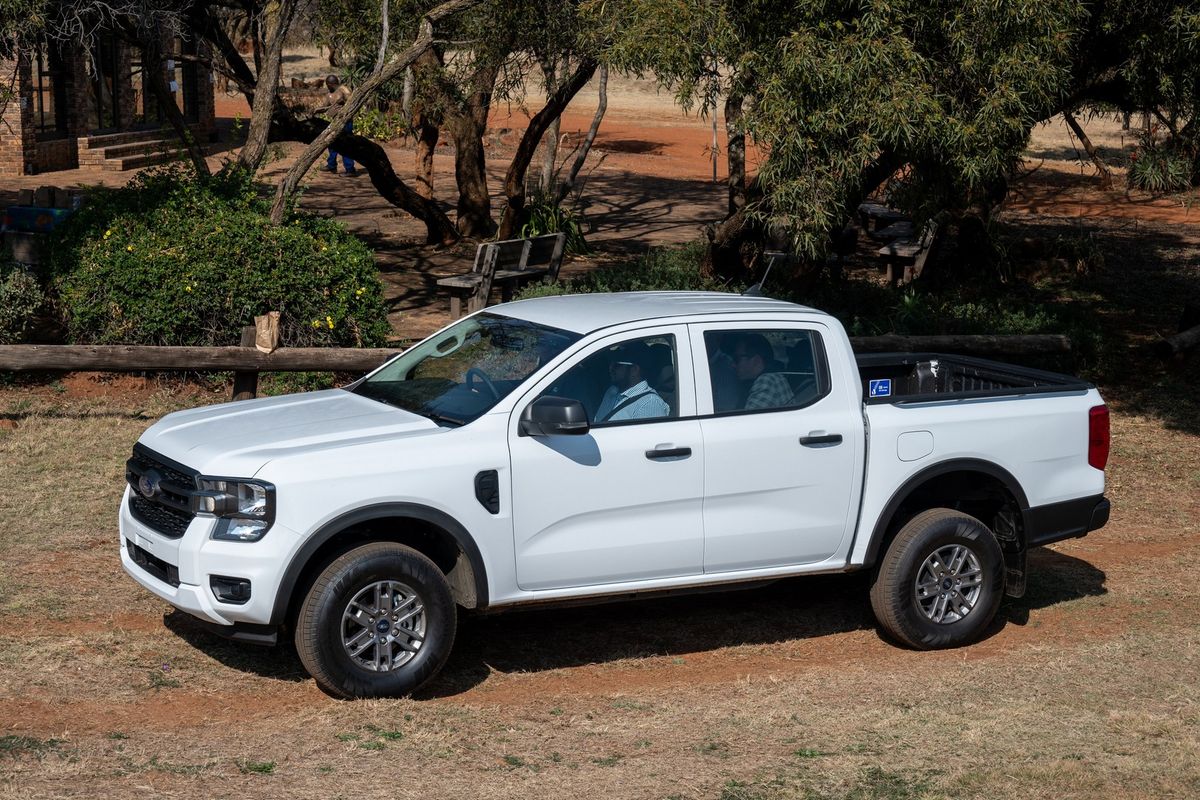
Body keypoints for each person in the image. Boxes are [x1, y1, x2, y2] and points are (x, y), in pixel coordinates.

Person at [594, 341, 670, 423]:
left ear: (634, 370)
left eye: (617, 365)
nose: (610, 368)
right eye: (611, 364)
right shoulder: (611, 391)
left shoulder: (650, 404)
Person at [733, 333, 792, 410]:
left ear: (756, 361)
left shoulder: (767, 381)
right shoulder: (773, 377)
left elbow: (748, 420)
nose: (733, 364)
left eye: (737, 359)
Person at [317, 75, 357, 177]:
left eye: (327, 85)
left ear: (331, 84)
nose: (327, 87)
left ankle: (350, 169)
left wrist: (343, 106)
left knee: (345, 144)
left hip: (345, 121)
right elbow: (325, 106)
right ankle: (332, 165)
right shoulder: (330, 94)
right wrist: (317, 110)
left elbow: (352, 103)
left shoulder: (344, 90)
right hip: (335, 121)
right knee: (331, 142)